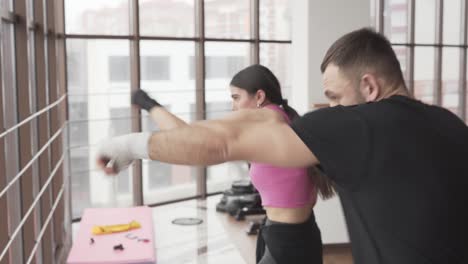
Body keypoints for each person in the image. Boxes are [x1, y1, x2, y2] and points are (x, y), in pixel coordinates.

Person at [97, 28, 468, 264]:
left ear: (369, 87)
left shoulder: (354, 124)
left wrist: (128, 145)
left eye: (335, 97)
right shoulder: (451, 124)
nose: (333, 108)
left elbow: (220, 143)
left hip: (291, 240)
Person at [130, 64, 334, 264]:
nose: (233, 106)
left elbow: (184, 137)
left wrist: (148, 104)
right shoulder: (283, 120)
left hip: (287, 242)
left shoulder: (267, 118)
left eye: (236, 98)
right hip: (298, 234)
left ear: (259, 97)